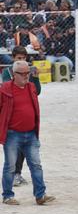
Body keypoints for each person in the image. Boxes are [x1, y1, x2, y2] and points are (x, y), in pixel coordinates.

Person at [1, 60, 55, 205]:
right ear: (13, 74)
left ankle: (40, 195)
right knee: (10, 166)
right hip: (12, 134)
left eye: (28, 73)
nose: (26, 76)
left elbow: (38, 91)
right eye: (23, 73)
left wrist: (36, 77)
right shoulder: (5, 89)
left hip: (31, 133)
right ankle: (7, 196)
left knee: (36, 165)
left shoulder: (31, 87)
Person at [1, 46, 41, 188]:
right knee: (12, 156)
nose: (22, 60)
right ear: (13, 58)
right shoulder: (7, 72)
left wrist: (35, 79)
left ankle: (18, 174)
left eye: (24, 58)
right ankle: (13, 178)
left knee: (26, 152)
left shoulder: (29, 73)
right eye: (19, 58)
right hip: (13, 123)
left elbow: (37, 91)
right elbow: (7, 88)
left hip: (27, 125)